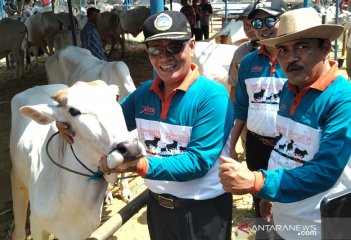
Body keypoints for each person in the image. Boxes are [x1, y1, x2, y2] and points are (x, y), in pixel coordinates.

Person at [57, 10, 234, 240]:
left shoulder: (212, 97)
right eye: (155, 49)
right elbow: (108, 122)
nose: (164, 57)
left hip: (203, 212)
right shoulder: (143, 94)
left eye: (174, 47)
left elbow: (198, 162)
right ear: (147, 52)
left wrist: (139, 166)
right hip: (158, 207)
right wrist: (67, 122)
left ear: (192, 46)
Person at [220, 7, 351, 240]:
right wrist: (270, 194)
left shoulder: (345, 101)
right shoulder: (289, 89)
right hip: (285, 217)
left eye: (302, 46)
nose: (290, 57)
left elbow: (325, 171)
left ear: (325, 48)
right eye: (283, 49)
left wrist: (258, 181)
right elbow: (285, 146)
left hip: (318, 228)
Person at [229, 1, 287, 238]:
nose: (264, 27)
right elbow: (241, 107)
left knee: (285, 201)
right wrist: (230, 145)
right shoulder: (248, 64)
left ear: (283, 21)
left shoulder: (296, 62)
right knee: (258, 200)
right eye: (257, 22)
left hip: (287, 148)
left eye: (271, 20)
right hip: (256, 145)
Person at [227, 3, 259, 161]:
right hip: (246, 115)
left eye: (255, 24)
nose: (250, 29)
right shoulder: (240, 53)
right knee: (251, 156)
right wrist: (233, 116)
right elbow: (234, 85)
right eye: (246, 25)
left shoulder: (282, 51)